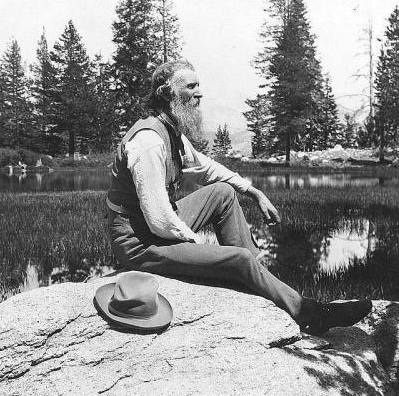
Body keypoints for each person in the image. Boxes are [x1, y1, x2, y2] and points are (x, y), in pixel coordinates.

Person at [106, 59, 371, 335]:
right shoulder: (148, 140)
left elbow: (206, 169)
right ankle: (310, 313)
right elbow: (159, 219)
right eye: (191, 86)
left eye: (199, 86)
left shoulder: (171, 132)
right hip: (138, 242)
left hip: (155, 227)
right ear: (166, 94)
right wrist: (201, 247)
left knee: (223, 193)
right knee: (237, 259)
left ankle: (256, 278)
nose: (199, 93)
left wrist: (253, 191)